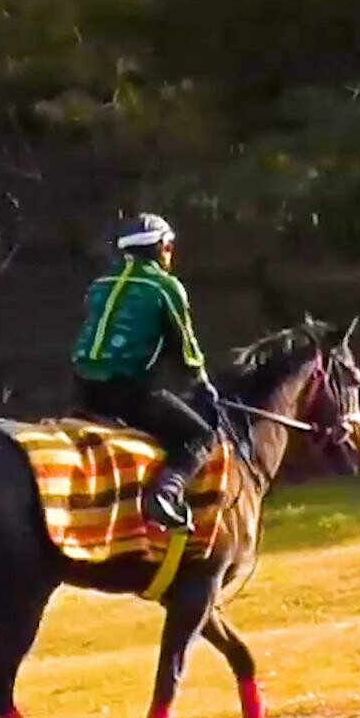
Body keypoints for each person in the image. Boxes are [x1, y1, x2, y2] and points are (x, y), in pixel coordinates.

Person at [70, 212, 221, 530]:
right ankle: (165, 496)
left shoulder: (100, 285)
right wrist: (202, 384)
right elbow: (186, 348)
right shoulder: (165, 286)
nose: (171, 253)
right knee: (199, 437)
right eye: (169, 246)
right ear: (160, 247)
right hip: (126, 392)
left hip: (82, 386)